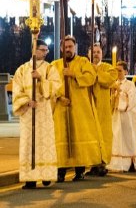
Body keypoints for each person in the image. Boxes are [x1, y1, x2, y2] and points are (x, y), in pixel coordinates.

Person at [52, 36, 103, 182]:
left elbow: (90, 78)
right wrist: (60, 97)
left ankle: (79, 170)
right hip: (62, 107)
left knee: (79, 137)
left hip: (80, 108)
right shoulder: (55, 65)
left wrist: (73, 74)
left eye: (70, 47)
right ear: (61, 48)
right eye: (65, 47)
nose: (68, 49)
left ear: (75, 47)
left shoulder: (83, 62)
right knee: (61, 138)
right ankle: (60, 171)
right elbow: (50, 85)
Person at [11, 39, 61, 189]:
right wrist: (26, 101)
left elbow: (55, 87)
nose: (45, 53)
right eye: (42, 50)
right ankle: (30, 179)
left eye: (47, 50)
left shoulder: (49, 68)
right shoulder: (22, 70)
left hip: (44, 111)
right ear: (34, 50)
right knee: (28, 144)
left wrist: (41, 79)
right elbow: (17, 89)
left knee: (44, 143)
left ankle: (46, 175)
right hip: (28, 113)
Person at [108, 61, 136, 173]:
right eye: (116, 70)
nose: (118, 73)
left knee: (127, 138)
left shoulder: (130, 84)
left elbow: (131, 100)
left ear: (126, 71)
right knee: (116, 137)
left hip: (126, 116)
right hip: (115, 115)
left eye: (120, 71)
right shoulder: (112, 83)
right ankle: (116, 163)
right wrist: (112, 93)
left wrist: (119, 91)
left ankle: (128, 163)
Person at [89, 43, 115, 176]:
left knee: (104, 136)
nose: (95, 54)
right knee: (90, 135)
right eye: (93, 52)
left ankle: (102, 163)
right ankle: (92, 164)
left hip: (103, 107)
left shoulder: (108, 68)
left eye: (98, 52)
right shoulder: (85, 67)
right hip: (88, 106)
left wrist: (95, 72)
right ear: (89, 54)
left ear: (102, 54)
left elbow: (110, 80)